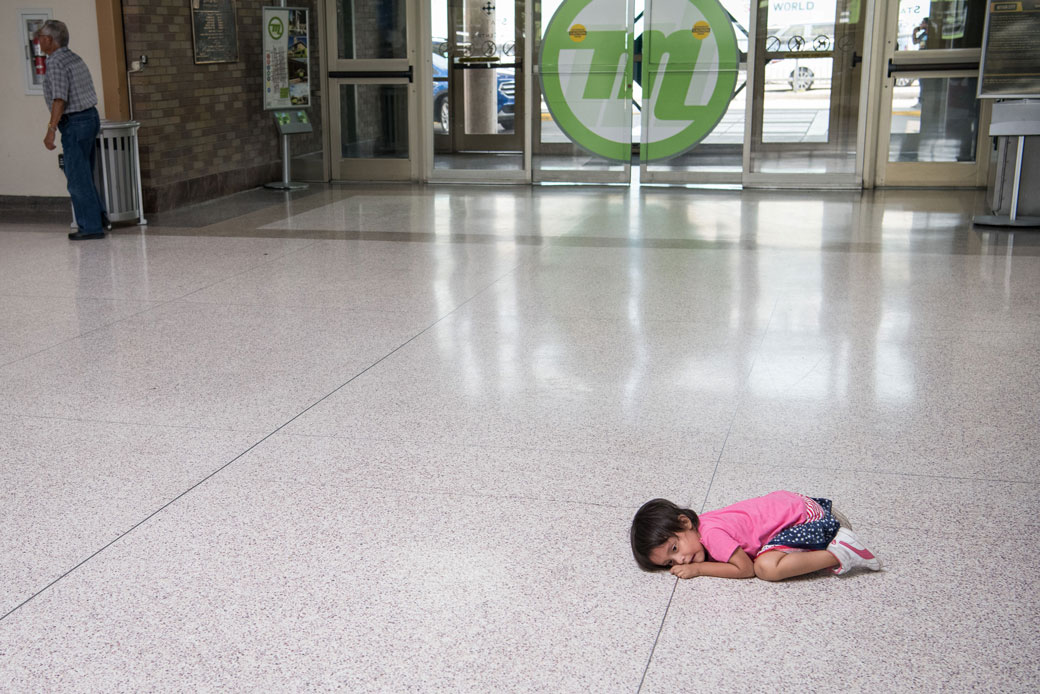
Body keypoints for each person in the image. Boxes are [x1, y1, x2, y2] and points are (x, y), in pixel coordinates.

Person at [630, 491, 882, 581]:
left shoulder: (711, 536)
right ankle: (837, 543)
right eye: (670, 563)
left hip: (810, 519)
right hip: (803, 505)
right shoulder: (703, 525)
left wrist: (700, 569)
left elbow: (745, 569)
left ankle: (840, 552)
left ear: (685, 522)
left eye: (675, 549)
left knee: (766, 568)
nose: (682, 561)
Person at [38, 19, 107, 240]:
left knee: (77, 177)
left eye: (40, 37)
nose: (38, 41)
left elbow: (60, 99)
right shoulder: (73, 57)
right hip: (90, 117)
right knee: (84, 173)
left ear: (49, 39)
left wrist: (51, 129)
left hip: (76, 123)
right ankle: (99, 217)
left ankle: (90, 227)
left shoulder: (56, 62)